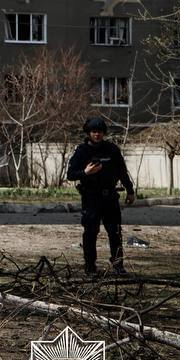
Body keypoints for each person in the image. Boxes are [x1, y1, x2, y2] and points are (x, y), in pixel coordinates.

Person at [65, 116, 135, 276]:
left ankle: (118, 265)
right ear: (89, 133)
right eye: (94, 131)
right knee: (90, 232)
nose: (97, 135)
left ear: (104, 133)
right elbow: (70, 174)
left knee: (115, 232)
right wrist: (85, 173)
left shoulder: (112, 150)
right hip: (91, 198)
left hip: (110, 197)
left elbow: (122, 172)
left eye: (100, 132)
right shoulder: (81, 151)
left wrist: (130, 190)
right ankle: (90, 267)